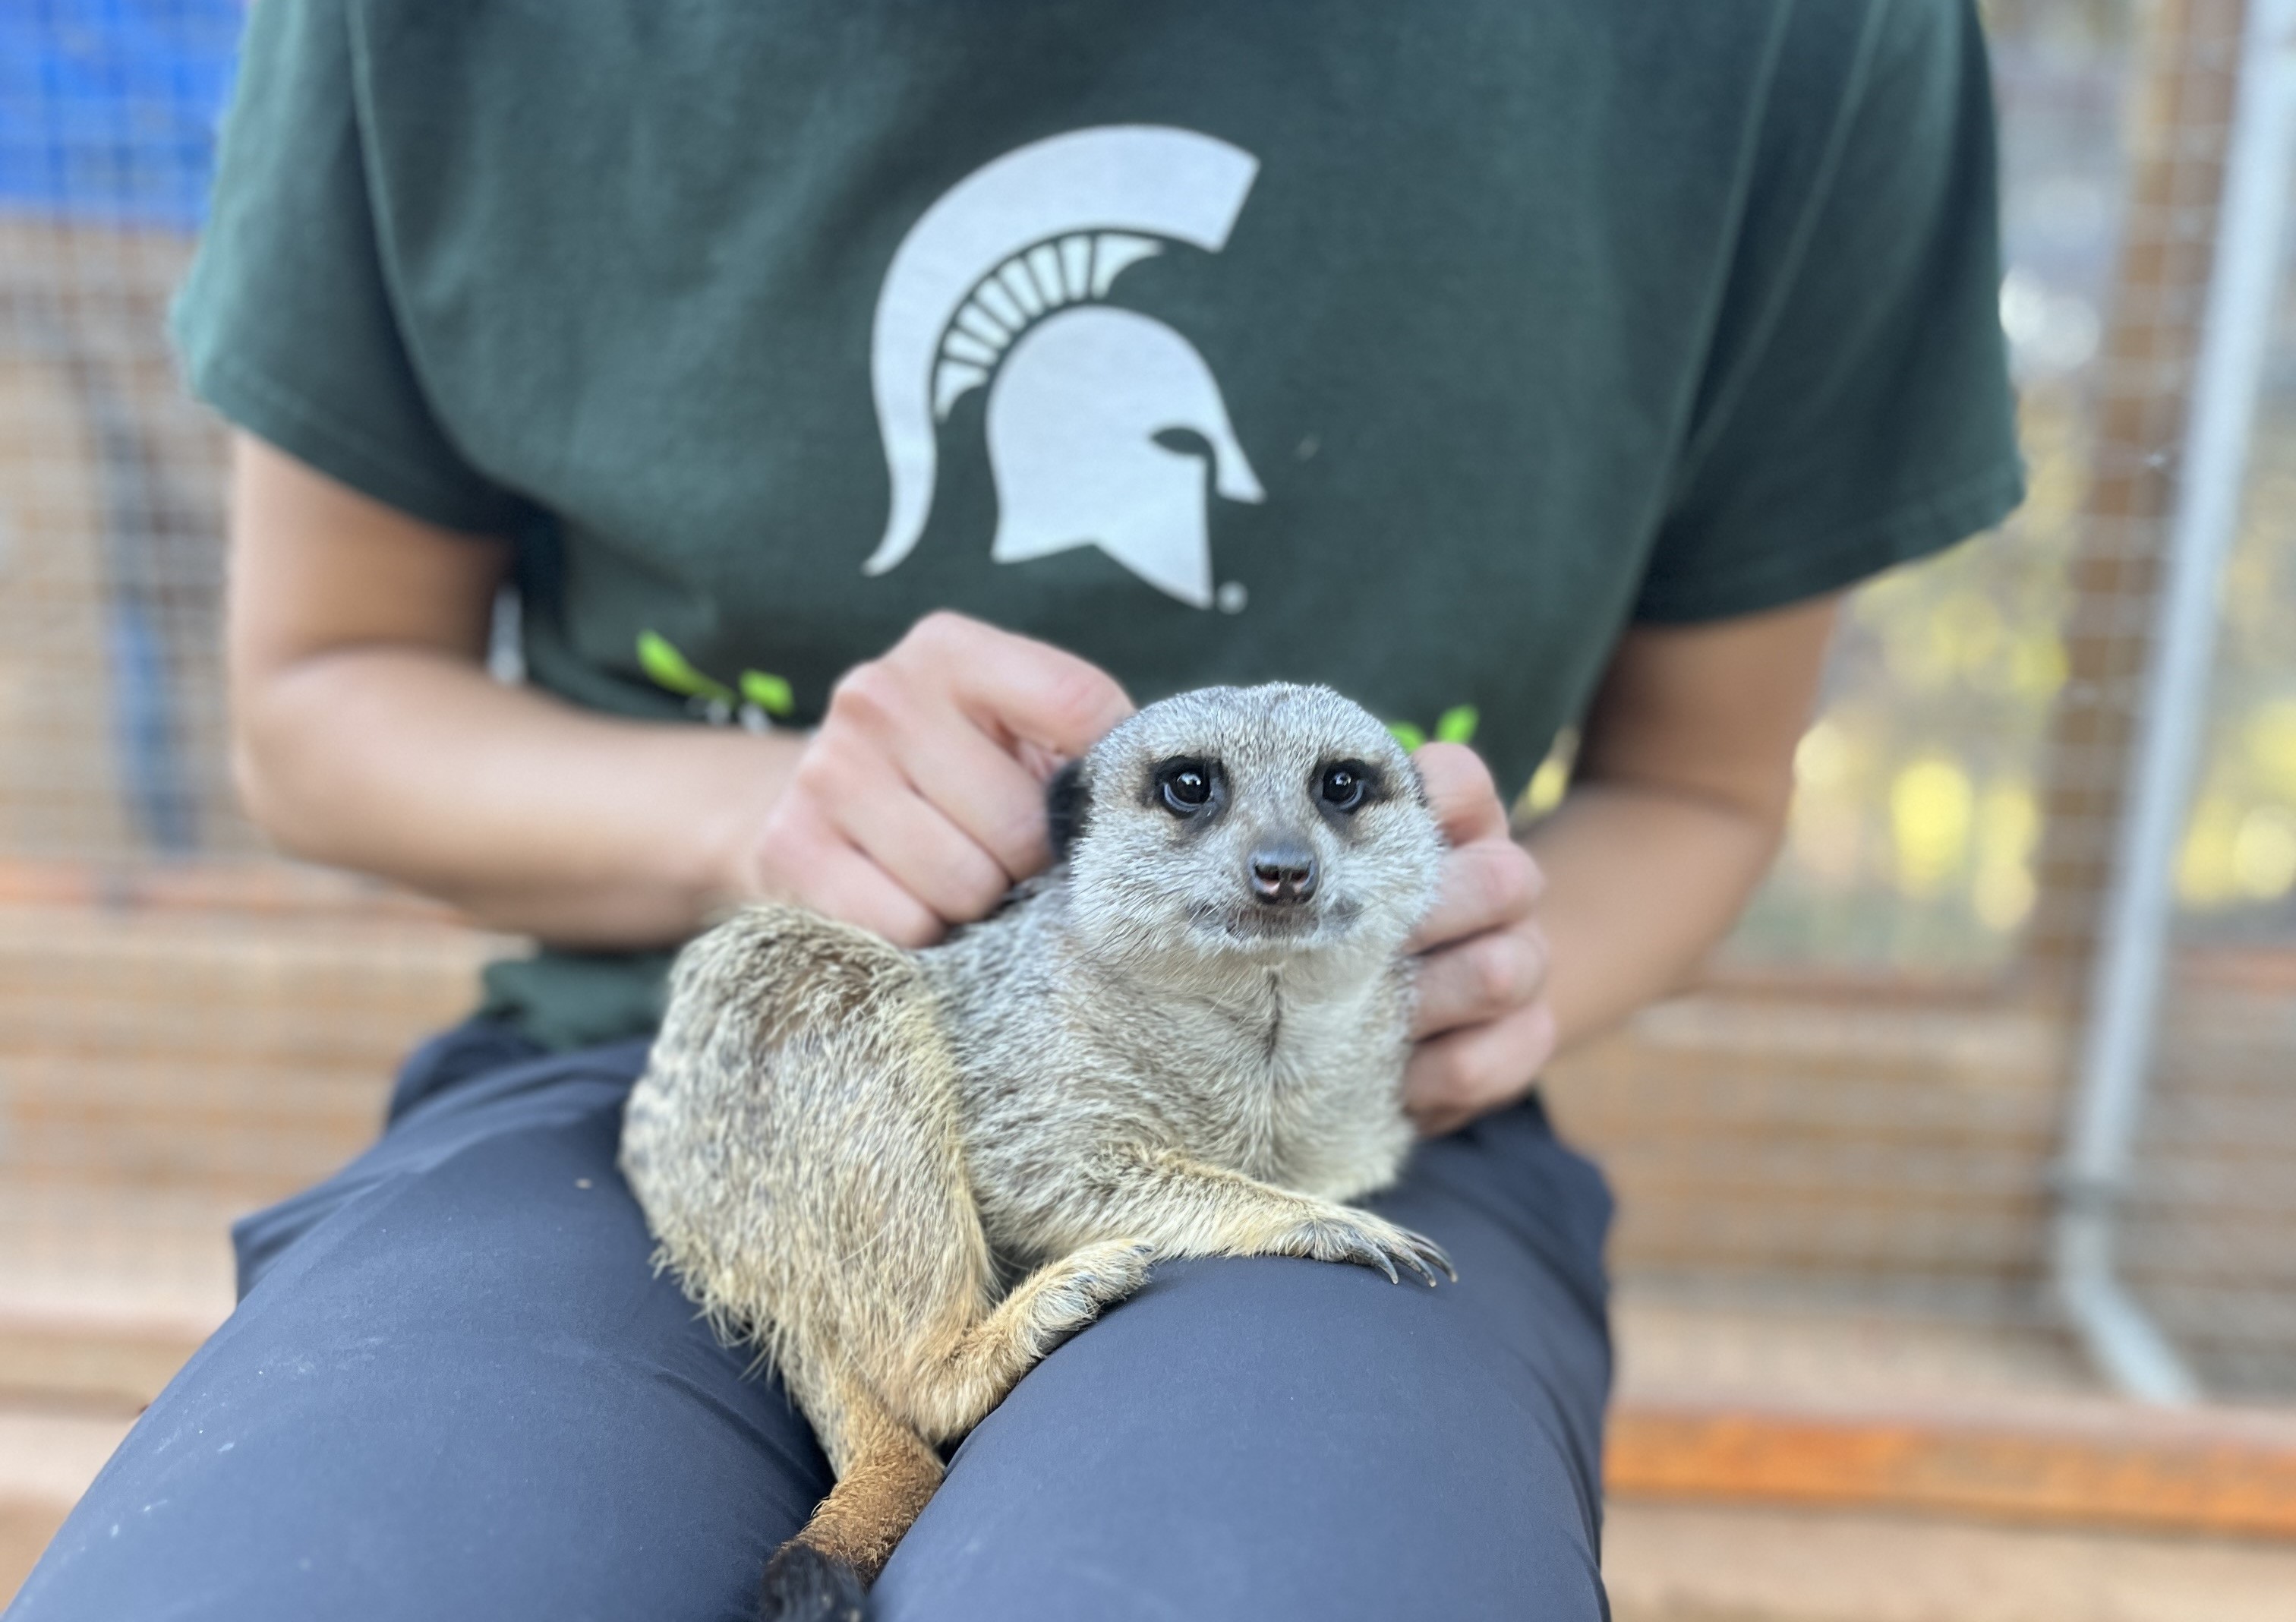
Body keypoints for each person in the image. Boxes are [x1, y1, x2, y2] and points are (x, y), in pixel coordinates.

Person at [11, 2, 2021, 1617]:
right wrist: (764, 812)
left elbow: (1699, 780)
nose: (1273, 833)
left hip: (1341, 1114)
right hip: (666, 1073)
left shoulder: (1789, 42)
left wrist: (1509, 957)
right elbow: (314, 704)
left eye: (1330, 797)